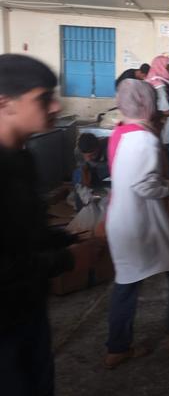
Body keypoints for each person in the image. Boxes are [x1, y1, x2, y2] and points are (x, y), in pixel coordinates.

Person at [104, 79, 169, 369]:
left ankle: (117, 348)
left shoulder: (119, 132)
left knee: (126, 282)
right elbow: (145, 186)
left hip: (121, 220)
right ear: (148, 103)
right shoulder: (144, 139)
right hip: (146, 224)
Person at [0, 54, 84, 395]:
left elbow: (18, 232)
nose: (55, 107)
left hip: (29, 310)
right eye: (43, 98)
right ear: (5, 103)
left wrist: (61, 238)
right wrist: (69, 259)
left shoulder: (22, 157)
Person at [72, 132, 109, 211]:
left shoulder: (109, 147)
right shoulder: (78, 151)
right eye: (86, 156)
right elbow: (85, 169)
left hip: (109, 168)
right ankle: (82, 210)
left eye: (92, 155)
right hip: (94, 170)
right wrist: (85, 190)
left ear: (98, 147)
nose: (88, 159)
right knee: (77, 175)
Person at [146, 55, 169, 146]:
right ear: (162, 67)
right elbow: (166, 111)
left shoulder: (148, 81)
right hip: (161, 129)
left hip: (149, 124)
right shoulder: (160, 85)